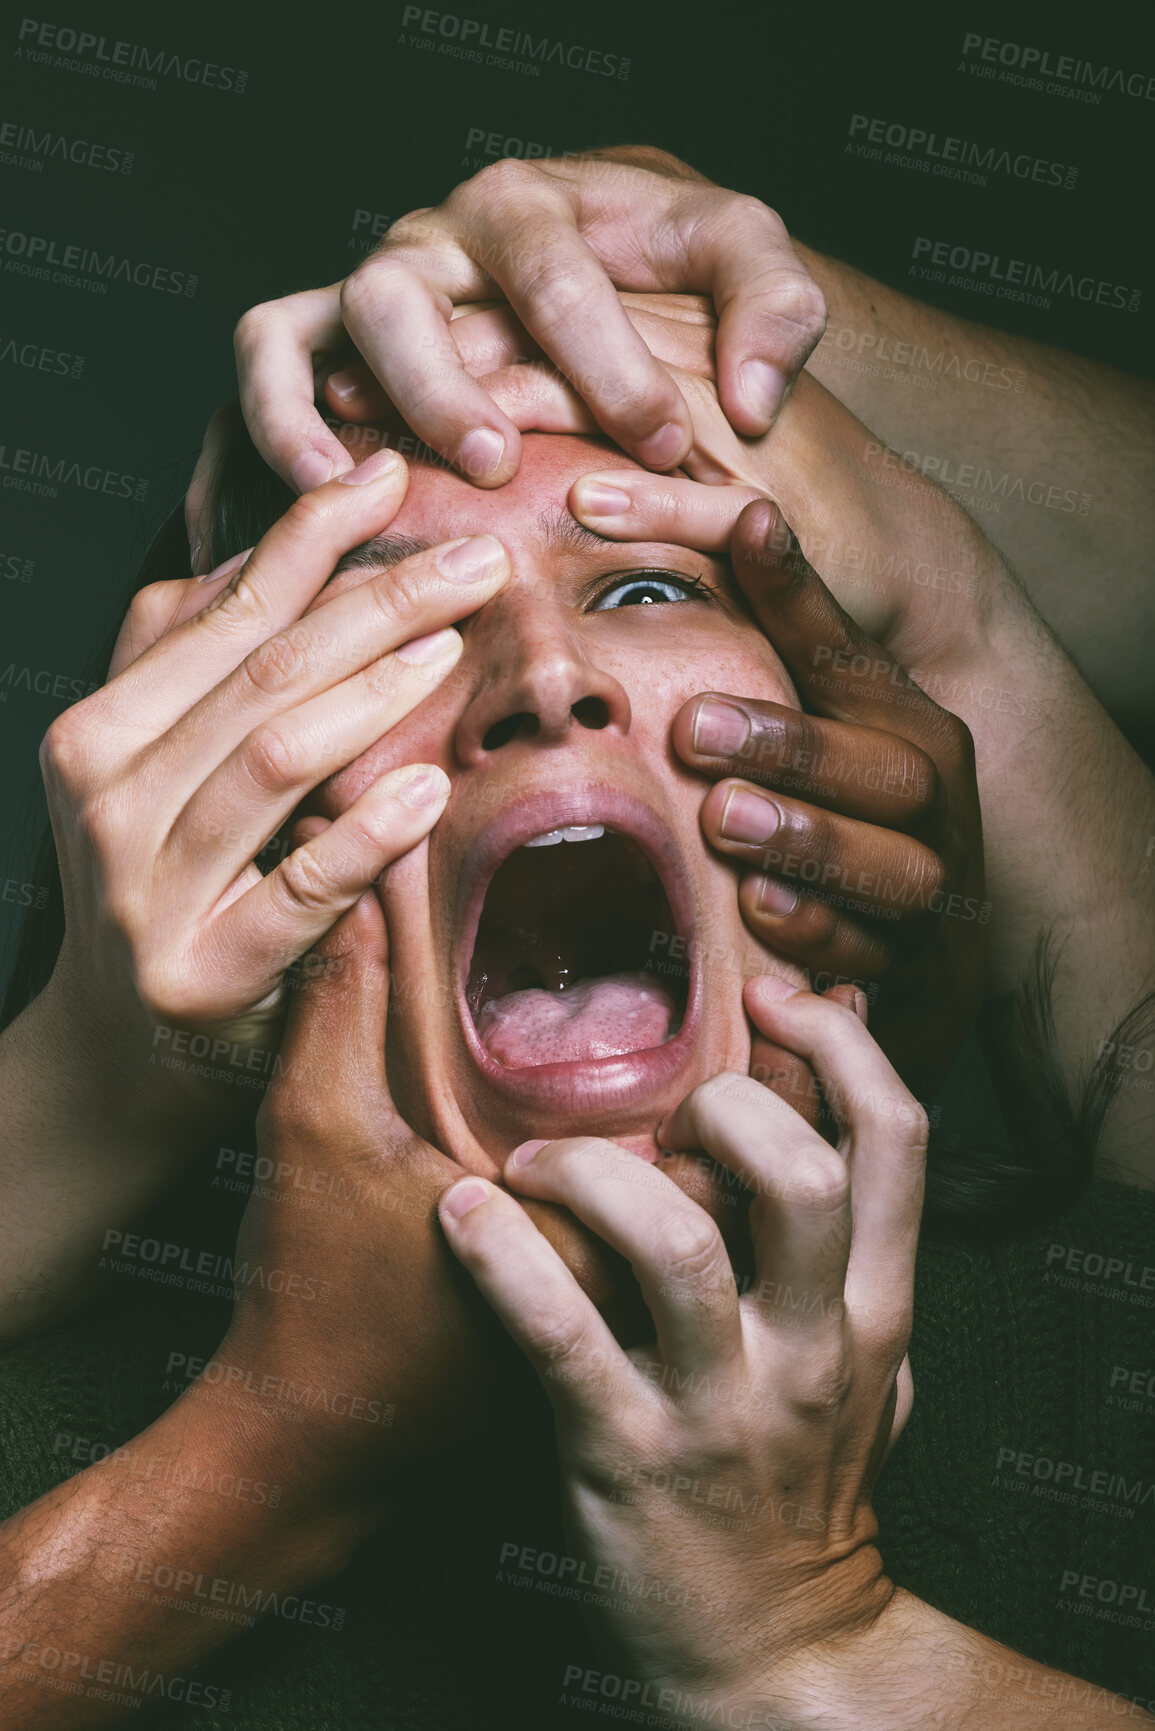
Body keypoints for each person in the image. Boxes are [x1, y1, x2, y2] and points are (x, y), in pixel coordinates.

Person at [0, 415, 1150, 1725]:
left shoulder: (1108, 1389)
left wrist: (808, 1636)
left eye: (649, 587)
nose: (548, 676)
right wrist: (277, 1449)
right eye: (387, 623)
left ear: (838, 795)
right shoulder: (40, 1419)